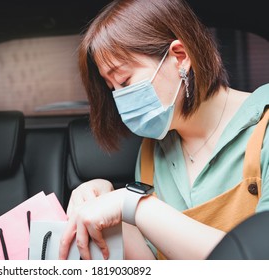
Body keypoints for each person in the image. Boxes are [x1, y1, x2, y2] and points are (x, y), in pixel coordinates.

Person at [58, 0, 269, 260]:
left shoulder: (264, 128)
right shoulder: (152, 153)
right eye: (112, 89)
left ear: (180, 57)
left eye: (124, 81)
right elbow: (154, 266)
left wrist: (134, 204)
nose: (120, 100)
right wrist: (106, 201)